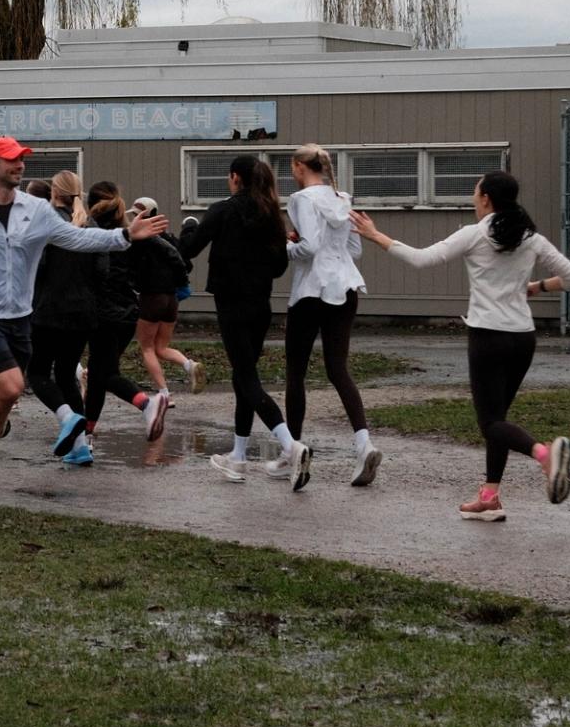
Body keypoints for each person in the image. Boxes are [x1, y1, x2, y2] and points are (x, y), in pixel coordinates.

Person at [0, 136, 166, 503]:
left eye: (22, 160)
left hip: (21, 318)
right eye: (11, 160)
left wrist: (126, 236)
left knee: (1, 400)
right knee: (10, 387)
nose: (19, 165)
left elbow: (75, 239)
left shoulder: (36, 210)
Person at [354, 171, 570, 521]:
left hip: (488, 338)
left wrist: (374, 235)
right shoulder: (531, 238)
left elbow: (420, 259)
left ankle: (545, 454)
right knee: (498, 420)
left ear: (486, 199)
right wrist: (536, 287)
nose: (474, 199)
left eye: (475, 193)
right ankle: (490, 497)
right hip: (523, 338)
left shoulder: (474, 235)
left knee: (490, 423)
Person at [180, 153, 306, 488]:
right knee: (242, 379)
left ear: (235, 177)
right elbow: (280, 267)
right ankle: (237, 458)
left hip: (230, 304)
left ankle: (291, 446)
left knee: (248, 380)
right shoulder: (270, 215)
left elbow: (189, 249)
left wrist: (188, 226)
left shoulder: (222, 210)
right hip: (260, 306)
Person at [283, 146, 380, 487]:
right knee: (338, 369)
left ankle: (291, 451)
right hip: (348, 285)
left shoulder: (300, 200)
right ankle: (363, 442)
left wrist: (285, 247)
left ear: (298, 167)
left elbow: (308, 247)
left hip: (312, 290)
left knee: (296, 371)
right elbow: (355, 249)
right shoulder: (342, 198)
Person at [75, 181, 170, 457]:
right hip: (129, 313)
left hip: (103, 314)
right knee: (99, 376)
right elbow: (171, 255)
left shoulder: (92, 234)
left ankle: (146, 403)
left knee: (104, 375)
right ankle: (87, 434)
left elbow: (98, 272)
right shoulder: (132, 232)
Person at [29, 171, 105, 467]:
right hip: (84, 314)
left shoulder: (47, 225)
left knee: (37, 373)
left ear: (54, 193)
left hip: (49, 311)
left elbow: (38, 267)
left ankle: (68, 418)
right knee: (65, 375)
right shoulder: (91, 224)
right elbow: (103, 271)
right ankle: (81, 446)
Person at [126, 197, 204, 398]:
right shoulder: (170, 239)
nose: (134, 219)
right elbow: (186, 264)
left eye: (136, 215)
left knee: (147, 348)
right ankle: (190, 365)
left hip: (151, 298)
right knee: (161, 347)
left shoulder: (139, 241)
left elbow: (130, 268)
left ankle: (164, 393)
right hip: (172, 299)